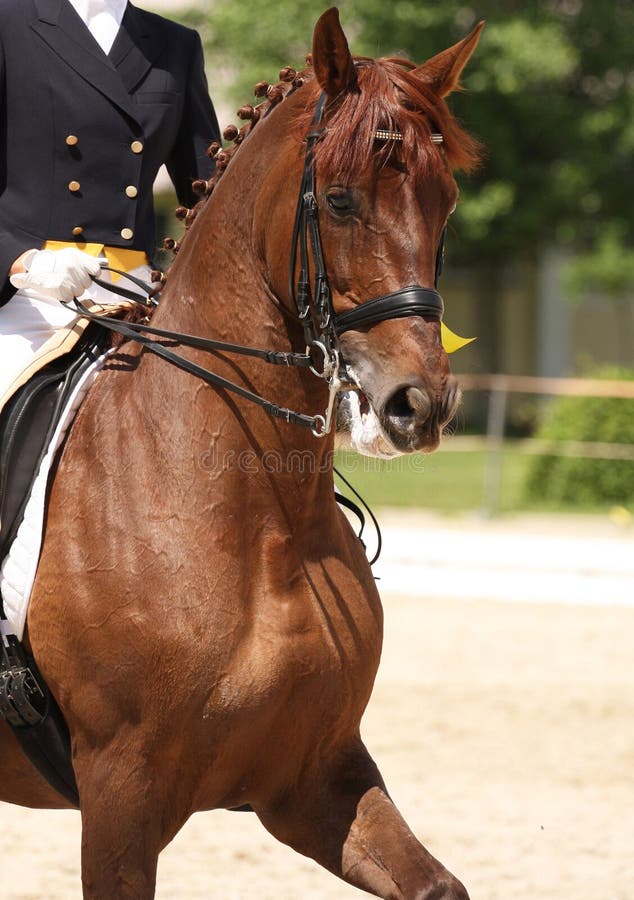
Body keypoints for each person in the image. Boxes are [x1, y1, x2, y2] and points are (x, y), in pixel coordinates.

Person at [0, 0, 221, 406]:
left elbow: (211, 200)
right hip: (29, 296)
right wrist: (20, 261)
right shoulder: (8, 23)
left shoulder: (177, 45)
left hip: (137, 297)